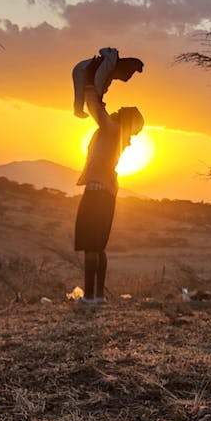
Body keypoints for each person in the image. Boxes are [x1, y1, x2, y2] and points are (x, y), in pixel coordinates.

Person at [74, 103, 145, 304]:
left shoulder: (112, 129)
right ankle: (98, 296)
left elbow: (97, 111)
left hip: (96, 191)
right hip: (108, 193)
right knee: (99, 246)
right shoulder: (118, 135)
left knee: (90, 246)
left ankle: (88, 297)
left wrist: (90, 89)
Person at [72, 47, 144, 119]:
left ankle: (79, 110)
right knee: (80, 92)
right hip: (82, 70)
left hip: (85, 71)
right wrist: (99, 98)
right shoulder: (110, 63)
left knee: (88, 94)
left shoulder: (111, 67)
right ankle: (78, 110)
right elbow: (99, 80)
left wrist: (100, 99)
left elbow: (102, 84)